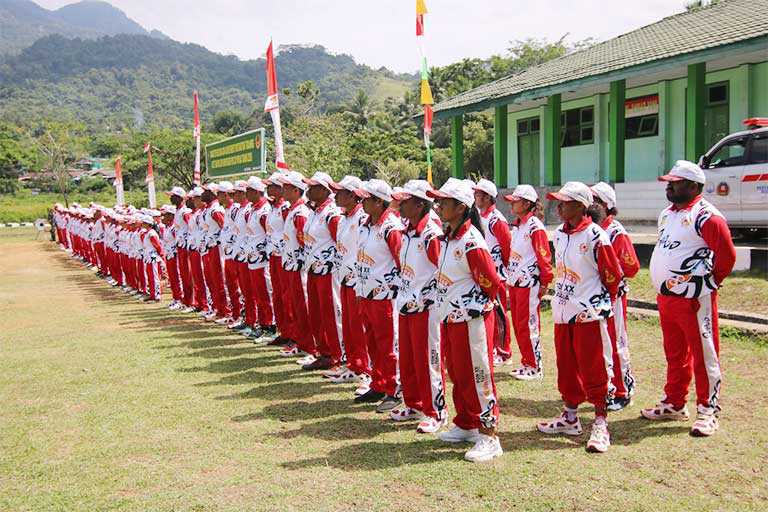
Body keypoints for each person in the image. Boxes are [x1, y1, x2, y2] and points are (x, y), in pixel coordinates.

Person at [641, 161, 736, 437]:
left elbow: (727, 256)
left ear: (693, 186)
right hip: (667, 298)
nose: (669, 186)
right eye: (668, 181)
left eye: (676, 182)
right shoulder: (667, 214)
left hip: (693, 299)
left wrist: (706, 284)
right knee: (674, 353)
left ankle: (708, 410)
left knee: (703, 353)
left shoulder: (706, 216)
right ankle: (674, 401)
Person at [537, 181, 623, 454]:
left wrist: (599, 305)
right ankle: (570, 416)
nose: (558, 206)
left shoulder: (596, 236)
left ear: (581, 206)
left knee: (595, 368)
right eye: (558, 201)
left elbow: (613, 275)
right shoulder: (560, 234)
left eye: (564, 202)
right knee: (566, 367)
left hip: (589, 314)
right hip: (564, 313)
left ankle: (600, 422)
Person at [427, 178, 503, 463]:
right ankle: (467, 422)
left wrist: (475, 308)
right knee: (458, 373)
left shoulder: (471, 242)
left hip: (471, 320)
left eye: (444, 202)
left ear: (460, 208)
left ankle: (489, 434)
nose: (439, 206)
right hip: (451, 318)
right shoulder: (448, 237)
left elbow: (491, 283)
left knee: (479, 374)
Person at [391, 180, 447, 434]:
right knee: (409, 356)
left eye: (405, 201)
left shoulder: (430, 233)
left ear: (419, 204)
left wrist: (428, 298)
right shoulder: (408, 230)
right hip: (406, 302)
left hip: (426, 307)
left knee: (428, 358)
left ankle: (435, 411)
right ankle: (413, 403)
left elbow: (442, 270)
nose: (400, 205)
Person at [353, 179, 403, 413]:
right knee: (372, 340)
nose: (362, 202)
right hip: (366, 292)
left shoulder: (390, 227)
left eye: (366, 199)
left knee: (387, 344)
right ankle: (378, 383)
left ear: (379, 202)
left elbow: (401, 261)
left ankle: (394, 389)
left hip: (384, 295)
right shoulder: (365, 224)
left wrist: (393, 288)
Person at [588, 182, 640, 411]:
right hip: (594, 296)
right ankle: (606, 386)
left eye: (594, 200)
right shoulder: (590, 228)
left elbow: (632, 267)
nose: (589, 205)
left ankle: (623, 390)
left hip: (613, 296)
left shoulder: (615, 231)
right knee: (600, 344)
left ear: (606, 205)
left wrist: (610, 270)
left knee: (616, 341)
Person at [503, 185, 553, 381]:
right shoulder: (518, 226)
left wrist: (545, 281)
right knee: (518, 323)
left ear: (527, 204)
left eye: (515, 201)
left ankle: (535, 365)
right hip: (516, 282)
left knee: (528, 324)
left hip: (529, 282)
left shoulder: (535, 227)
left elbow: (544, 256)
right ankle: (526, 362)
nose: (512, 204)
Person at [302, 171, 343, 371]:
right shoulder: (315, 211)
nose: (308, 191)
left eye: (313, 187)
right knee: (316, 312)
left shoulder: (331, 214)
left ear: (324, 190)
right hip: (313, 269)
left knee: (330, 313)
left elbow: (341, 243)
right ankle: (324, 352)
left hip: (328, 271)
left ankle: (336, 354)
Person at [473, 178, 513, 366]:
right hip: (484, 273)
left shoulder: (497, 220)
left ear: (488, 197)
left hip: (497, 274)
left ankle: (503, 351)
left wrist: (503, 272)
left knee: (499, 313)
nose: (476, 196)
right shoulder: (479, 216)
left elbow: (507, 248)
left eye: (479, 194)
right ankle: (493, 347)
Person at [277, 171, 315, 359]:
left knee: (302, 306)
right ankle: (300, 342)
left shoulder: (300, 213)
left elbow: (303, 241)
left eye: (286, 187)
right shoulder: (292, 210)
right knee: (294, 304)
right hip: (289, 264)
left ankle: (308, 345)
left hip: (298, 267)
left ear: (295, 190)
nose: (282, 190)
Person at [242, 176, 276, 341]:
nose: (246, 194)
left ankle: (269, 325)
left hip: (261, 260)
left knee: (264, 292)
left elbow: (267, 234)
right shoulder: (254, 209)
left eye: (248, 190)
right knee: (257, 293)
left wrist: (263, 253)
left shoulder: (264, 211)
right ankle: (262, 324)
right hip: (252, 257)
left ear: (256, 191)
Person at [200, 183, 231, 323]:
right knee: (213, 279)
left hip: (217, 248)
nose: (202, 194)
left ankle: (226, 311)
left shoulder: (216, 210)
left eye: (206, 191)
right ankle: (219, 309)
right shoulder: (209, 209)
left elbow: (224, 227)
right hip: (210, 247)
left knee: (220, 279)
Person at [217, 181, 244, 327]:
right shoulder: (228, 210)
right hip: (228, 254)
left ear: (226, 195)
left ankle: (239, 315)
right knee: (231, 285)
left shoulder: (235, 210)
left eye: (219, 194)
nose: (217, 197)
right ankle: (235, 315)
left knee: (236, 285)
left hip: (235, 254)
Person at [167, 187, 195, 312]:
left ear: (180, 198)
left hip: (186, 246)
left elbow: (191, 228)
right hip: (180, 245)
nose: (171, 198)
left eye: (173, 196)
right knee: (183, 274)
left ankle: (191, 301)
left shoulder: (185, 212)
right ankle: (186, 300)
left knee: (188, 275)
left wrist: (188, 242)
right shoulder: (177, 211)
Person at [159, 205, 183, 310]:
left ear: (171, 216)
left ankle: (180, 299)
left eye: (165, 215)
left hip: (174, 255)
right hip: (169, 255)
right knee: (172, 278)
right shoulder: (167, 228)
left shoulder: (174, 228)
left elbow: (177, 241)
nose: (162, 218)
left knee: (177, 277)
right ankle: (175, 298)